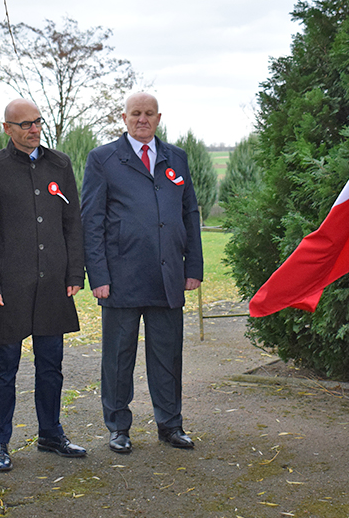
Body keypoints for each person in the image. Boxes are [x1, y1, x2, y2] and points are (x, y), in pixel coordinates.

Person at [81, 92, 204, 454]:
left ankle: (170, 425)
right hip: (122, 277)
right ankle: (118, 426)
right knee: (118, 358)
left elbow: (189, 214)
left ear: (159, 117)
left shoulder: (176, 158)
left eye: (149, 114)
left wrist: (193, 266)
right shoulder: (103, 159)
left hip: (167, 276)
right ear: (124, 117)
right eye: (136, 113)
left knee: (168, 356)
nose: (142, 120)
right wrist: (99, 275)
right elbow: (93, 221)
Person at [0, 98, 86, 471]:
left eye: (37, 122)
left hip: (53, 284)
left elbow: (72, 222)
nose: (33, 129)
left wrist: (74, 273)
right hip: (8, 289)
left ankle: (51, 434)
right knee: (5, 367)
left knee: (51, 366)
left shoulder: (60, 164)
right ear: (7, 128)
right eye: (24, 124)